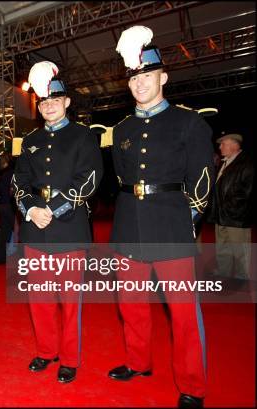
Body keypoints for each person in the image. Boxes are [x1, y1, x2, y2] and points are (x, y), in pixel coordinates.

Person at [109, 26, 214, 409]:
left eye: (147, 75)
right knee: (130, 304)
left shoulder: (189, 123)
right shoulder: (121, 129)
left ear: (163, 77)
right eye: (134, 77)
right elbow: (122, 179)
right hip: (127, 225)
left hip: (171, 224)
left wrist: (187, 222)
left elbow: (201, 179)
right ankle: (138, 363)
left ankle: (192, 385)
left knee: (184, 314)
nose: (140, 83)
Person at [13, 61, 103, 383]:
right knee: (39, 298)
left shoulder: (83, 136)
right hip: (34, 226)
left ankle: (69, 358)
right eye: (44, 102)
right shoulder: (30, 140)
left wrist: (55, 209)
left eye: (55, 100)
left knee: (70, 302)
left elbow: (91, 177)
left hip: (69, 227)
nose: (49, 105)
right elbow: (19, 181)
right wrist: (30, 210)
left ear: (66, 102)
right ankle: (45, 351)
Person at [208, 133, 254, 280]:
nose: (220, 147)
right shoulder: (226, 162)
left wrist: (229, 207)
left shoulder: (247, 163)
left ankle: (242, 276)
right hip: (222, 215)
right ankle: (224, 272)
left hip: (236, 216)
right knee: (222, 247)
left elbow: (248, 192)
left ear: (234, 145)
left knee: (240, 248)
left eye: (223, 144)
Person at [0, 152, 15, 264]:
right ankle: (20, 259)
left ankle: (1, 257)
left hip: (1, 204)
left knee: (4, 232)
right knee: (18, 231)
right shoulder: (12, 173)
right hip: (9, 205)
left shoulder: (1, 174)